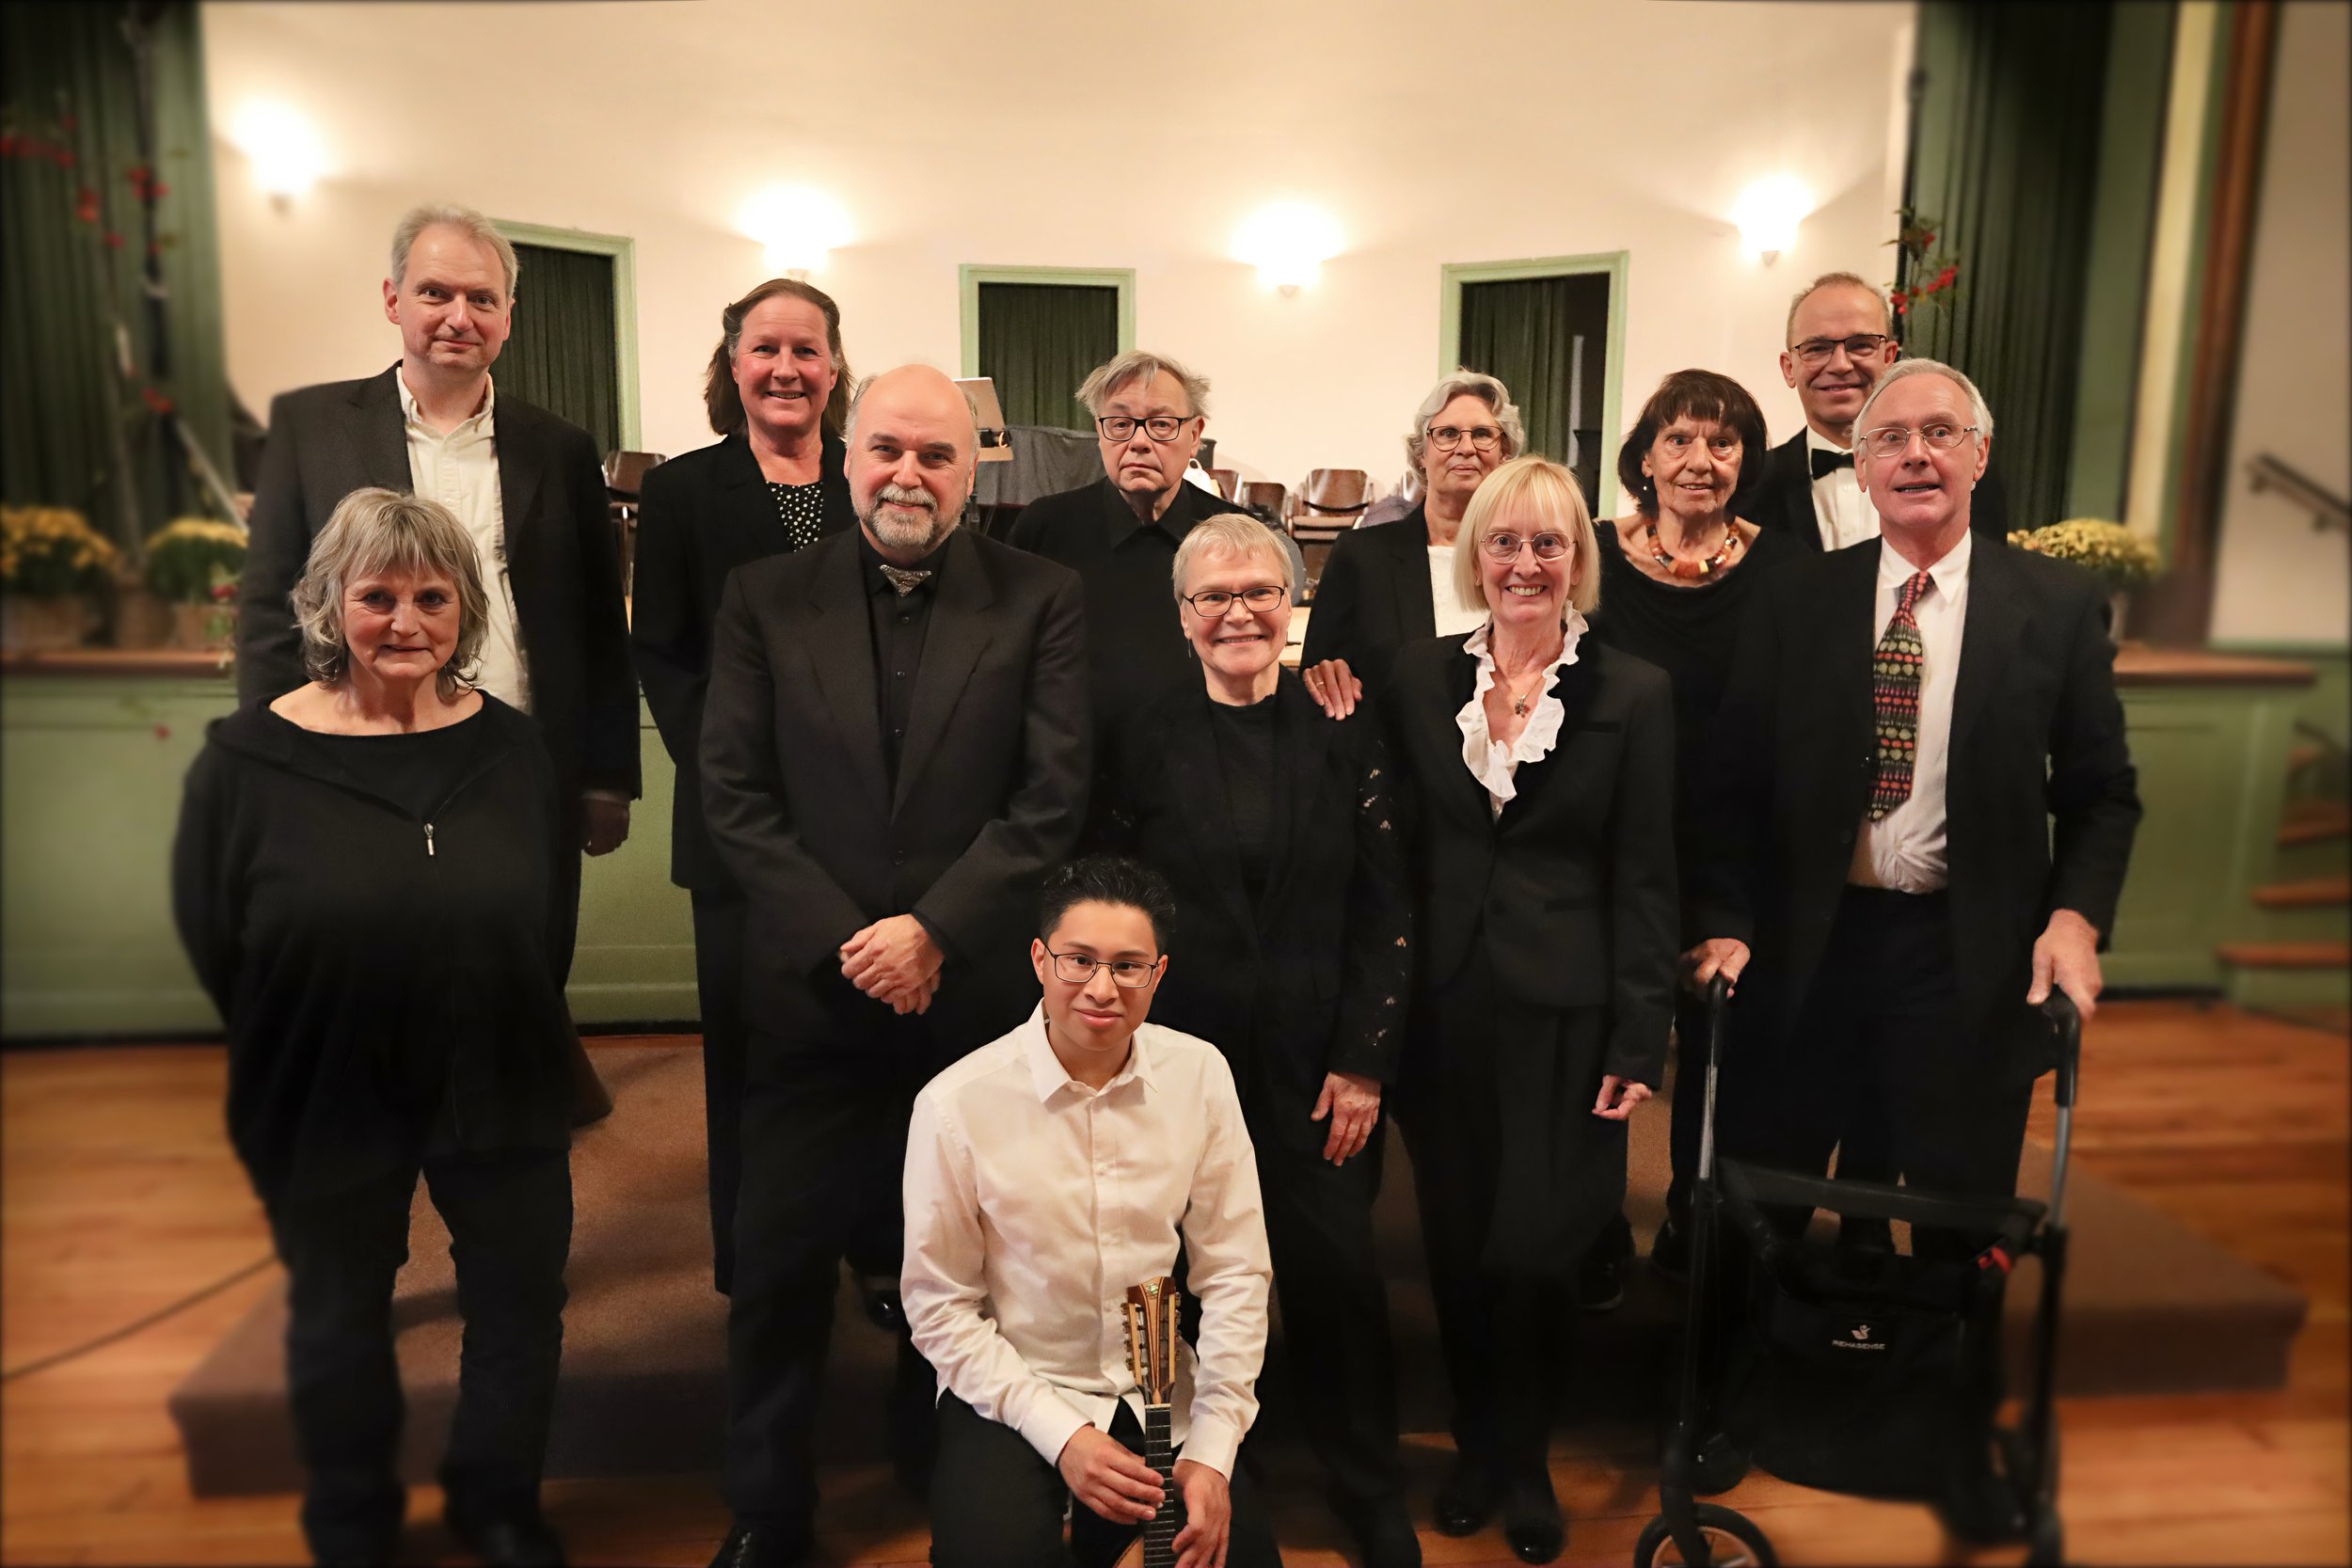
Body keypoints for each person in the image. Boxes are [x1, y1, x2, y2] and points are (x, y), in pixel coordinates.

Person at [698, 364, 1091, 1567]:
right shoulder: (763, 595)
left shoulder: (1042, 597)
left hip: (968, 993)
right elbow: (733, 792)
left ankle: (949, 1457)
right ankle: (768, 1508)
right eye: (885, 451)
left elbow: (1052, 795)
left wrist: (933, 930)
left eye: (933, 455)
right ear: (844, 454)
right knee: (773, 1265)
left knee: (976, 1254)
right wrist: (853, 941)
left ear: (974, 468)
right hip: (812, 995)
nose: (906, 474)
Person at [174, 489, 577, 1568]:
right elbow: (214, 925)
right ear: (328, 605)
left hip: (498, 1062)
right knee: (341, 1306)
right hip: (331, 1073)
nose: (406, 620)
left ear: (465, 611)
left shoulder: (517, 750)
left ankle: (498, 1504)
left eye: (432, 597)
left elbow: (550, 920)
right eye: (377, 596)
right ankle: (350, 1514)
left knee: (519, 1299)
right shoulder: (251, 757)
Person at [1687, 356, 2137, 1255]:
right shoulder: (1794, 596)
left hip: (1965, 953)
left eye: (1941, 433)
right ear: (1862, 468)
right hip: (1803, 946)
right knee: (1756, 1207)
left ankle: (1940, 1382)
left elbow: (2100, 794)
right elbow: (1730, 783)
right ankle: (1750, 1379)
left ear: (1979, 456)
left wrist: (2075, 917)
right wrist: (1724, 916)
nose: (1916, 455)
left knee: (1954, 1215)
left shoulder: (2054, 606)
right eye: (1889, 438)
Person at [234, 201, 640, 1114]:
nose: (458, 314)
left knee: (526, 956)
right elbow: (268, 611)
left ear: (507, 316)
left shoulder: (561, 448)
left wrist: (607, 773)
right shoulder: (311, 429)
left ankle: (511, 1131)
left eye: (481, 297)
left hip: (522, 758)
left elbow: (593, 625)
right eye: (435, 291)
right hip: (362, 756)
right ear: (392, 299)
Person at [1097, 514, 1418, 1567]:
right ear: (1181, 615)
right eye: (1212, 595)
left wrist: (1365, 1057)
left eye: (1259, 591)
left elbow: (1385, 904)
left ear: (1294, 603)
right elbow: (1114, 902)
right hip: (1177, 1069)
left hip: (1314, 1065)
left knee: (1334, 1278)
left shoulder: (1342, 723)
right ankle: (1220, 1478)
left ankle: (1368, 1484)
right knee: (1179, 1282)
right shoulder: (1139, 730)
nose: (1238, 611)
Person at [1383, 456, 1677, 1563]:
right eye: (1503, 542)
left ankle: (1529, 1455)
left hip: (1568, 1014)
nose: (1524, 562)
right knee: (1460, 1249)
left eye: (1548, 543)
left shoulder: (1632, 692)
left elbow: (1648, 875)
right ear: (1473, 557)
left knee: (1541, 1251)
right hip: (1446, 1006)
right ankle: (1477, 1446)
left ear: (1576, 561)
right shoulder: (1416, 676)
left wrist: (1639, 1033)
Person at [902, 853, 1284, 1568]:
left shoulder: (1200, 1073)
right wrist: (1066, 1436)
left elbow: (1235, 1271)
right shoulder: (955, 1104)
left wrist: (1213, 1451)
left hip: (1157, 1389)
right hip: (1016, 1386)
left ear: (1158, 973)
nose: (1102, 988)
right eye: (1079, 960)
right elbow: (939, 1307)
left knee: (1234, 1558)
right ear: (1040, 960)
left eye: (1128, 965)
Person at [630, 277, 857, 1296]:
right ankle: (753, 1254)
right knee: (747, 1052)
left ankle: (873, 1246)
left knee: (866, 1046)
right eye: (765, 349)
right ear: (732, 366)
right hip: (738, 825)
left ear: (834, 367)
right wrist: (736, 778)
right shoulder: (683, 492)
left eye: (805, 350)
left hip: (868, 823)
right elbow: (666, 656)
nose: (785, 369)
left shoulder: (875, 475)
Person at [1586, 370, 1803, 1284]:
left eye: (1721, 442)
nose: (1698, 461)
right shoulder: (1594, 553)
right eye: (1677, 439)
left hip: (1733, 846)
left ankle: (1691, 1214)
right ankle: (1593, 1225)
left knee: (1718, 1049)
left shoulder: (1788, 566)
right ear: (1643, 456)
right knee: (1599, 1038)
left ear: (1745, 459)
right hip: (1607, 839)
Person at [1007, 350, 1304, 732]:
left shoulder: (1235, 532)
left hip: (1200, 755)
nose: (1139, 442)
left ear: (1194, 435)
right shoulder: (1044, 526)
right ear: (1100, 432)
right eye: (1119, 423)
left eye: (1161, 424)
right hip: (1080, 761)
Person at [1300, 370, 1520, 714]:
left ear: (1504, 453)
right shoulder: (1360, 557)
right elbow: (1320, 672)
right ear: (1421, 453)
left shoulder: (1528, 561)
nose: (1466, 448)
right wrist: (1325, 678)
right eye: (1447, 434)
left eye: (1482, 434)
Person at [1746, 271, 2009, 551]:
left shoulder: (1967, 474)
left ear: (1889, 357)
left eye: (1860, 345)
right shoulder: (1748, 482)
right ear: (1789, 368)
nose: (1840, 365)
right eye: (1817, 348)